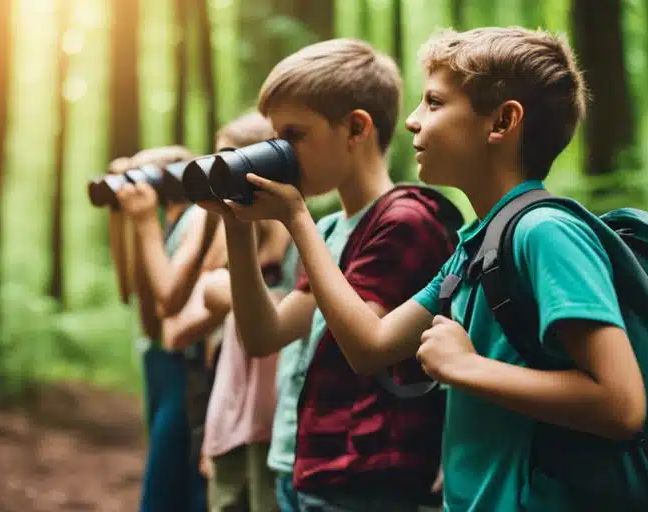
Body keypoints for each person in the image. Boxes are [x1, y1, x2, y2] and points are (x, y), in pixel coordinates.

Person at [225, 27, 648, 511]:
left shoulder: (545, 232)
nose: (410, 121)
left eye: (434, 102)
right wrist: (282, 220)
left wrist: (468, 367)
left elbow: (621, 403)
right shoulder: (473, 249)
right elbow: (369, 348)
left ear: (502, 123)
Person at [201, 39, 458, 511]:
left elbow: (364, 347)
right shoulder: (329, 230)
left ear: (356, 128)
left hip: (366, 477)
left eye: (294, 135)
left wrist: (295, 219)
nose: (280, 152)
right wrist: (238, 228)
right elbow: (264, 335)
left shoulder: (403, 221)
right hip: (303, 463)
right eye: (274, 137)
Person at [167, 112, 290, 512]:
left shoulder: (303, 240)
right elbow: (176, 331)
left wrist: (233, 296)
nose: (218, 176)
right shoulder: (228, 242)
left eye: (227, 163)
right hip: (229, 414)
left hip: (277, 426)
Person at [115, 145, 225, 512]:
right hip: (163, 364)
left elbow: (166, 310)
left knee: (172, 482)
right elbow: (130, 294)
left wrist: (144, 223)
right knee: (169, 472)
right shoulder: (169, 222)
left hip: (186, 365)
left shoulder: (198, 219)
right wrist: (122, 215)